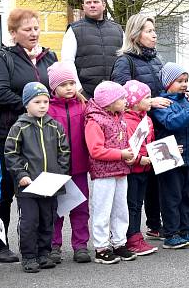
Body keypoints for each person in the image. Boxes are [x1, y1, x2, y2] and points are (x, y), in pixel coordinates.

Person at [0, 8, 58, 263]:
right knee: (5, 193)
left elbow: (58, 88)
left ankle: (42, 248)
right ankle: (1, 244)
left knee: (42, 193)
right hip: (10, 133)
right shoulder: (4, 58)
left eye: (36, 28)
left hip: (43, 137)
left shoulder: (49, 56)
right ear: (13, 33)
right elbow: (0, 91)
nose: (34, 33)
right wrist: (30, 104)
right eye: (27, 29)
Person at [111, 13, 167, 241]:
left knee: (157, 179)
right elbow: (120, 96)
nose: (154, 34)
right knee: (137, 186)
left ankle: (155, 224)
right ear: (136, 34)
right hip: (136, 129)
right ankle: (130, 231)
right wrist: (150, 102)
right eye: (148, 30)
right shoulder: (125, 61)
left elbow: (165, 86)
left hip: (158, 125)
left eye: (154, 30)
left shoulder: (157, 59)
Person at [4, 82, 70, 272]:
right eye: (37, 102)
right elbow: (11, 154)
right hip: (28, 186)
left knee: (47, 220)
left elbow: (64, 151)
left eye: (45, 101)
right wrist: (21, 175)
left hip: (50, 185)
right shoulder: (19, 127)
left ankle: (44, 254)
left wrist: (61, 173)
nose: (42, 105)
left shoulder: (56, 126)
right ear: (26, 104)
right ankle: (29, 256)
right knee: (29, 222)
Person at [150, 63, 189, 249]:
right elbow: (171, 122)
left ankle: (186, 230)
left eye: (186, 80)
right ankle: (171, 233)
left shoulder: (188, 101)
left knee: (188, 196)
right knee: (171, 197)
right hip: (169, 158)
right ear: (168, 83)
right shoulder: (161, 103)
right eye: (179, 81)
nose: (184, 84)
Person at [85, 81, 137, 264]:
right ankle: (101, 247)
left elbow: (124, 142)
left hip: (121, 170)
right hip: (104, 174)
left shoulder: (120, 118)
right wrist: (120, 154)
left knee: (120, 209)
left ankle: (119, 242)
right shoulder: (95, 121)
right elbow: (95, 150)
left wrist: (129, 155)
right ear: (110, 101)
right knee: (102, 209)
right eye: (122, 98)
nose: (126, 101)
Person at [47, 62, 92, 264]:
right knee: (56, 208)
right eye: (63, 84)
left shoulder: (83, 106)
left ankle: (80, 245)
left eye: (72, 83)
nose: (69, 88)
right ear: (53, 87)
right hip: (56, 169)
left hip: (80, 167)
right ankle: (53, 245)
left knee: (81, 207)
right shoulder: (47, 110)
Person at [60, 0, 124, 97]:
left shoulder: (118, 30)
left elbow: (126, 60)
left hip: (116, 96)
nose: (92, 5)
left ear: (103, 5)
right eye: (88, 3)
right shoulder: (73, 30)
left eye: (96, 2)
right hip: (86, 95)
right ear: (83, 7)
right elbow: (67, 62)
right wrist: (79, 90)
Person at [122, 80, 158, 256]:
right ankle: (131, 238)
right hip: (132, 170)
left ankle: (136, 236)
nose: (151, 101)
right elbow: (127, 146)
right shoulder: (126, 121)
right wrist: (139, 159)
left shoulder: (147, 119)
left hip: (145, 169)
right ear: (135, 101)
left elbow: (149, 143)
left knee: (138, 203)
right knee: (131, 205)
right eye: (147, 98)